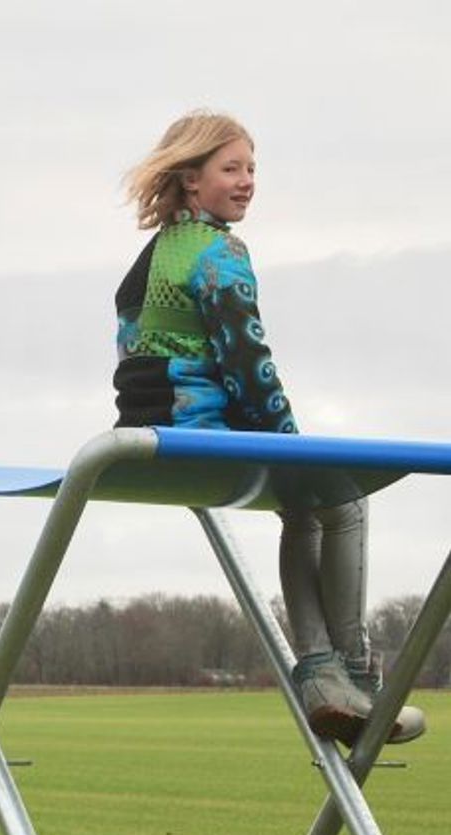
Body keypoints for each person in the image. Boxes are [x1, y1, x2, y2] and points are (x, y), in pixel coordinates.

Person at [113, 110, 424, 746]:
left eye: (252, 168)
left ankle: (325, 676)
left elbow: (131, 347)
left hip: (152, 435)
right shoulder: (219, 253)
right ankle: (351, 673)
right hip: (203, 433)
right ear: (191, 179)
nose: (248, 181)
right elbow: (248, 365)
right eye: (232, 168)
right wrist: (290, 440)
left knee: (305, 511)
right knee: (345, 501)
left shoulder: (148, 259)